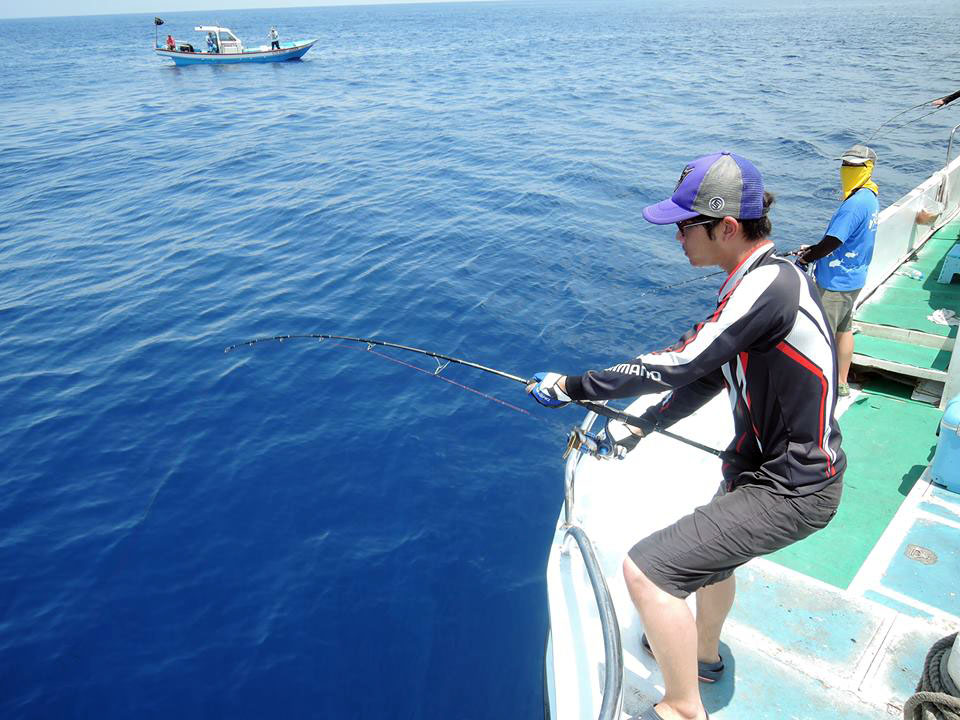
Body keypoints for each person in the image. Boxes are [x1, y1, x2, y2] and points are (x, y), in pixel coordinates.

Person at [527, 151, 845, 720]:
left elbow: (677, 363)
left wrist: (574, 387)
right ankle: (702, 654)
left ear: (726, 227)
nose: (677, 237)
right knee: (708, 560)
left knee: (649, 570)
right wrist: (638, 432)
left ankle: (681, 708)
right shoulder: (758, 280)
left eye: (684, 225)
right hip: (761, 473)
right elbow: (706, 376)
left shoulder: (768, 288)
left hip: (794, 486)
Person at [795, 144, 879, 397]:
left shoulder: (853, 204)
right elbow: (848, 239)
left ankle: (816, 390)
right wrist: (814, 248)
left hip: (835, 282)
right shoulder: (870, 196)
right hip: (854, 277)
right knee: (844, 330)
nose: (848, 170)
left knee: (822, 335)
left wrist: (808, 257)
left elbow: (834, 241)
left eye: (855, 166)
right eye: (845, 164)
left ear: (869, 168)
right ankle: (841, 382)